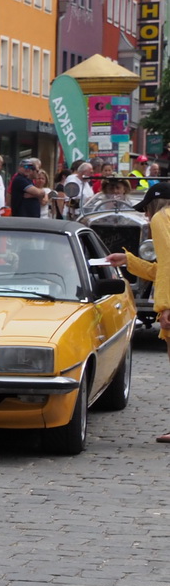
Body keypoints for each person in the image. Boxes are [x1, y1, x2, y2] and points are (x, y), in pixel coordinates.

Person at [110, 180, 170, 442]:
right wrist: (130, 261)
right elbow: (160, 269)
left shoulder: (161, 218)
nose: (146, 215)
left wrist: (166, 306)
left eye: (146, 208)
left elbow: (168, 265)